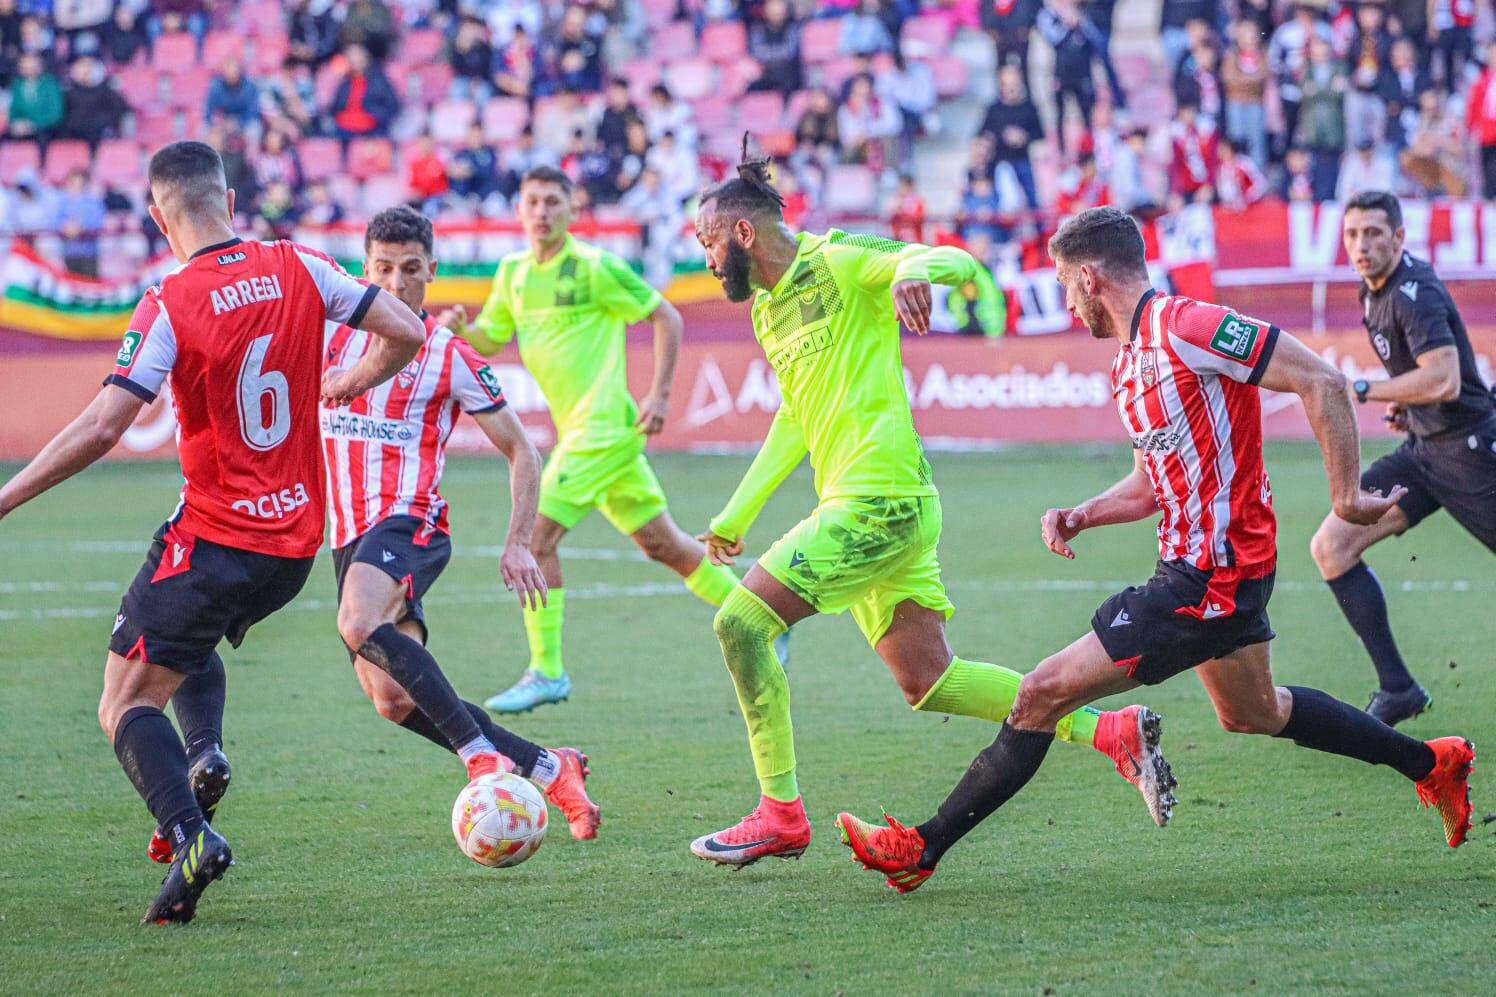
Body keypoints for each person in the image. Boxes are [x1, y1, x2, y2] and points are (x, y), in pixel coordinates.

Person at [835, 206, 1476, 893]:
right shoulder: (1130, 362)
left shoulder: (1188, 325)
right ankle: (1431, 762)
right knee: (1255, 711)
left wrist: (1347, 495)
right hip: (1215, 573)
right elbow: (1150, 482)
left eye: (1063, 281)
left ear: (1089, 276)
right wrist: (1085, 513)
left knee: (1038, 694)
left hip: (1207, 576)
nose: (1066, 298)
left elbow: (1319, 380)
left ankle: (920, 848)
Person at [686, 144, 1176, 869]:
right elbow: (795, 416)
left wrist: (914, 269)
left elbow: (959, 263)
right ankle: (1113, 733)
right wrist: (737, 511)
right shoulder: (765, 311)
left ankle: (781, 812)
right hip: (884, 504)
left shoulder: (841, 257)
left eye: (706, 243)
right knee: (931, 682)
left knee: (740, 623)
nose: (705, 260)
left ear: (742, 234)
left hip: (879, 500)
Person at [0, 141, 427, 923]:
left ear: (162, 219)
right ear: (229, 200)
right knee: (183, 645)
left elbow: (104, 426)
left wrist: (7, 496)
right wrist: (343, 381)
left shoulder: (170, 299)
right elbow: (405, 329)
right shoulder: (301, 264)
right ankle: (203, 752)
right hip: (295, 545)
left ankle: (190, 832)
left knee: (121, 701)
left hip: (218, 539)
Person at [320, 207, 600, 838]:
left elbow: (523, 451)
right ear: (364, 271)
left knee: (357, 621)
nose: (396, 284)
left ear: (432, 272)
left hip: (409, 523)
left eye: (411, 270)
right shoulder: (330, 339)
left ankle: (482, 757)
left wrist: (519, 542)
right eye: (383, 269)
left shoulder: (448, 355)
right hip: (347, 536)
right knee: (392, 700)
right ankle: (552, 766)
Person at [442, 166, 758, 714]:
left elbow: (666, 317)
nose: (541, 212)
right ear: (519, 211)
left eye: (552, 202)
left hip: (604, 429)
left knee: (535, 539)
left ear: (571, 210)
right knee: (666, 546)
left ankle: (546, 671)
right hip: (593, 437)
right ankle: (760, 618)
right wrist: (459, 330)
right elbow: (490, 338)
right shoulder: (514, 273)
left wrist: (659, 394)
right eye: (532, 202)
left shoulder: (594, 267)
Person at [1310, 191, 1496, 725]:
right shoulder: (1373, 291)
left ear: (1399, 237)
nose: (1361, 245)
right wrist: (1406, 410)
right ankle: (1398, 689)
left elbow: (1444, 377)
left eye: (1373, 233)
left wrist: (1366, 389)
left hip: (1469, 454)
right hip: (1425, 453)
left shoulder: (1413, 294)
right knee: (1333, 544)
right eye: (1352, 235)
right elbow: (1428, 382)